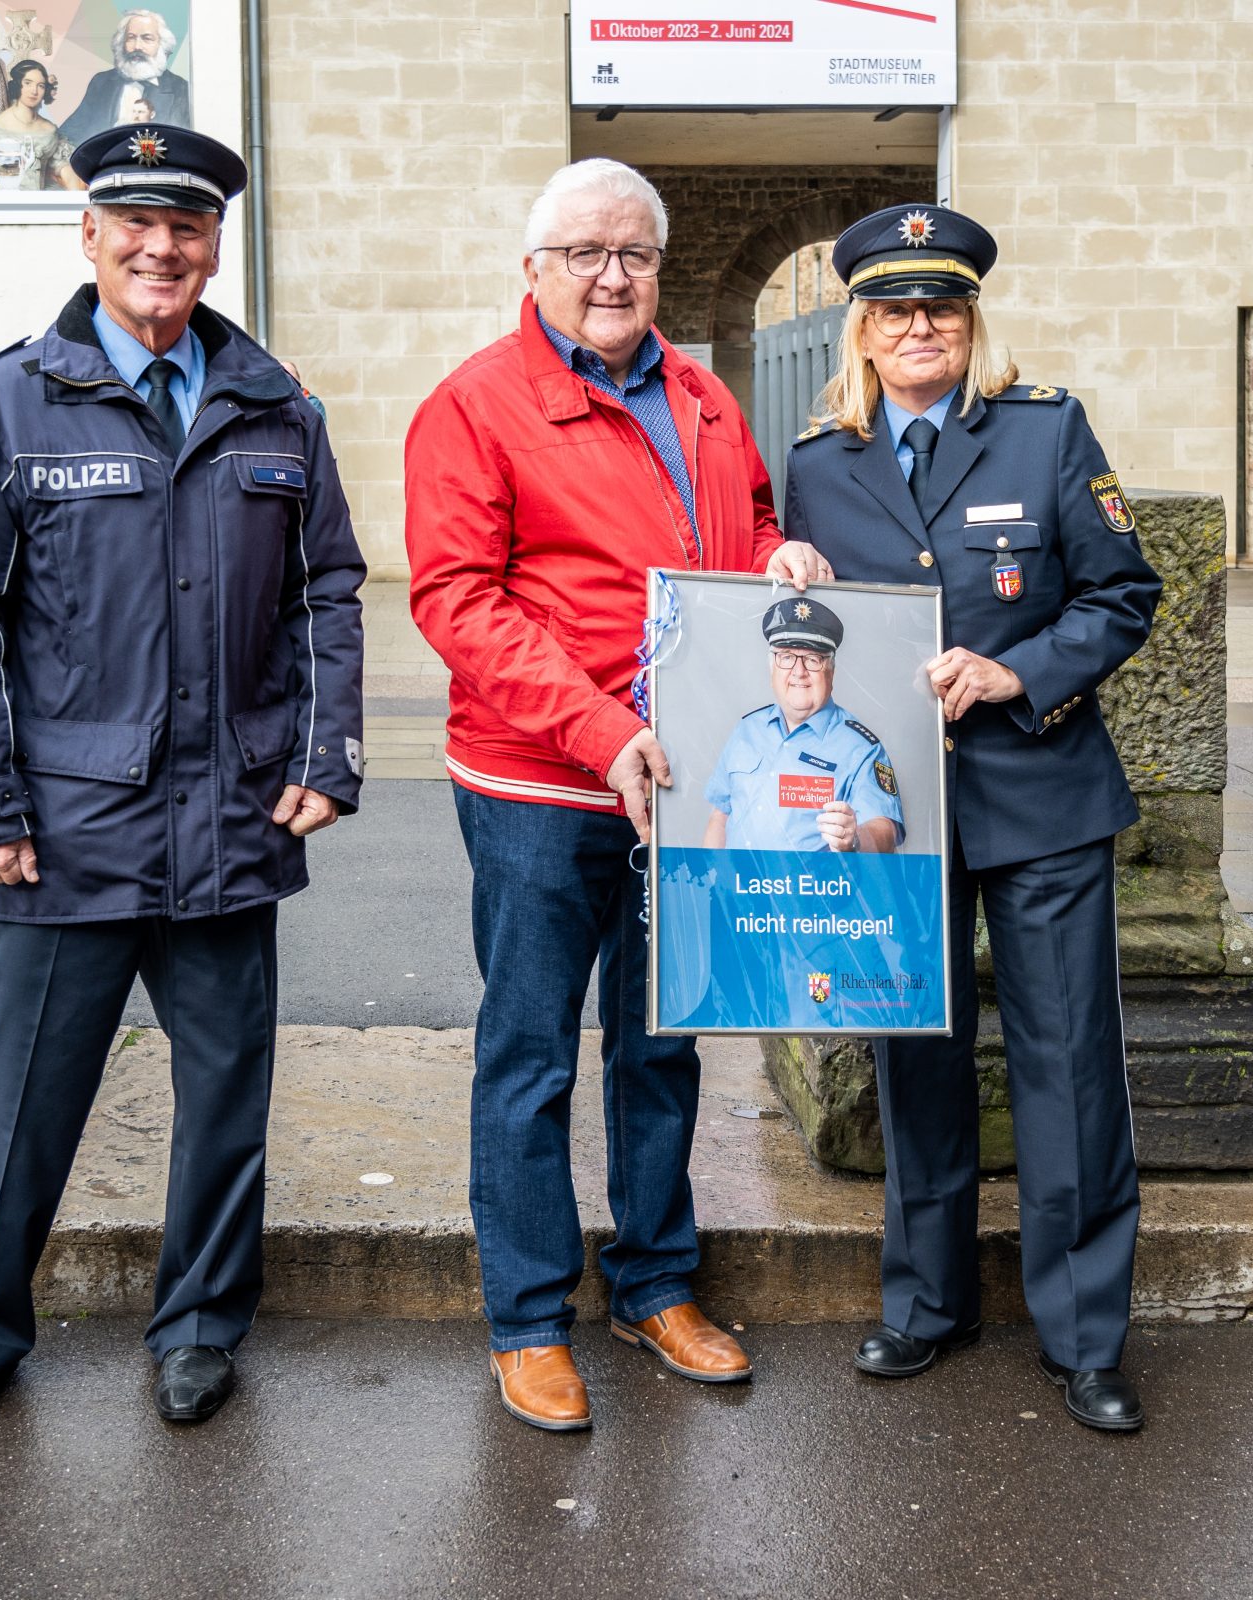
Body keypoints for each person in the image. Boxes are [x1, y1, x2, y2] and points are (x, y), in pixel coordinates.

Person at [0, 124, 366, 1439]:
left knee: (225, 1095)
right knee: (22, 1103)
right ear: (91, 235)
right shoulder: (6, 403)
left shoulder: (278, 407)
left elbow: (326, 590)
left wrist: (324, 754)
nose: (162, 249)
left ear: (215, 243)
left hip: (231, 817)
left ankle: (204, 1324)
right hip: (63, 829)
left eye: (188, 228)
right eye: (136, 225)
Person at [404, 158, 829, 1432]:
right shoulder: (474, 407)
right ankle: (529, 1319)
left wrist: (780, 557)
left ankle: (655, 1282)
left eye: (634, 253)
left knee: (662, 1046)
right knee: (530, 1056)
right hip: (542, 783)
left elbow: (738, 531)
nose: (611, 275)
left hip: (686, 785)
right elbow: (456, 599)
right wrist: (601, 731)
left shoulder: (699, 396)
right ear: (533, 268)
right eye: (585, 252)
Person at [780, 204, 1162, 1432]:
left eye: (939, 304)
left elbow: (1123, 592)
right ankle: (926, 1301)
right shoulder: (819, 461)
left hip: (1039, 788)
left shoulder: (1045, 433)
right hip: (890, 804)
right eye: (893, 309)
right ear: (863, 329)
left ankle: (1086, 1332)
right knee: (914, 1057)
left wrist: (1019, 672)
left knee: (1069, 1068)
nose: (918, 326)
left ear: (970, 317)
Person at [703, 596, 904, 853]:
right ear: (772, 668)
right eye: (786, 657)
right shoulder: (747, 730)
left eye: (812, 659)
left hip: (814, 892)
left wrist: (854, 838)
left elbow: (885, 832)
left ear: (831, 670)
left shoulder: (862, 747)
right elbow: (720, 816)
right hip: (740, 891)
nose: (799, 672)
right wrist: (712, 887)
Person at [58, 10, 192, 144]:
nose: (137, 46)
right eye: (131, 37)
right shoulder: (101, 82)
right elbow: (69, 134)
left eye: (147, 38)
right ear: (121, 44)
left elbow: (186, 144)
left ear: (162, 45)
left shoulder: (180, 89)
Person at [0, 58, 82, 191]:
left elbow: (66, 171)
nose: (34, 91)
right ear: (18, 85)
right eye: (28, 83)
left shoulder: (49, 129)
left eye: (40, 85)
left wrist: (75, 193)